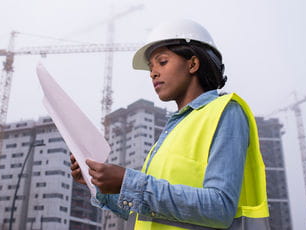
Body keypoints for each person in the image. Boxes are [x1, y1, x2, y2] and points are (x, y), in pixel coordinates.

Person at [71, 19, 270, 230]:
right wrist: (96, 183)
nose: (153, 73)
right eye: (151, 67)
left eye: (162, 62)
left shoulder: (226, 112)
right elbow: (147, 211)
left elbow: (220, 208)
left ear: (193, 64)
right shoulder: (172, 131)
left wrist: (128, 182)